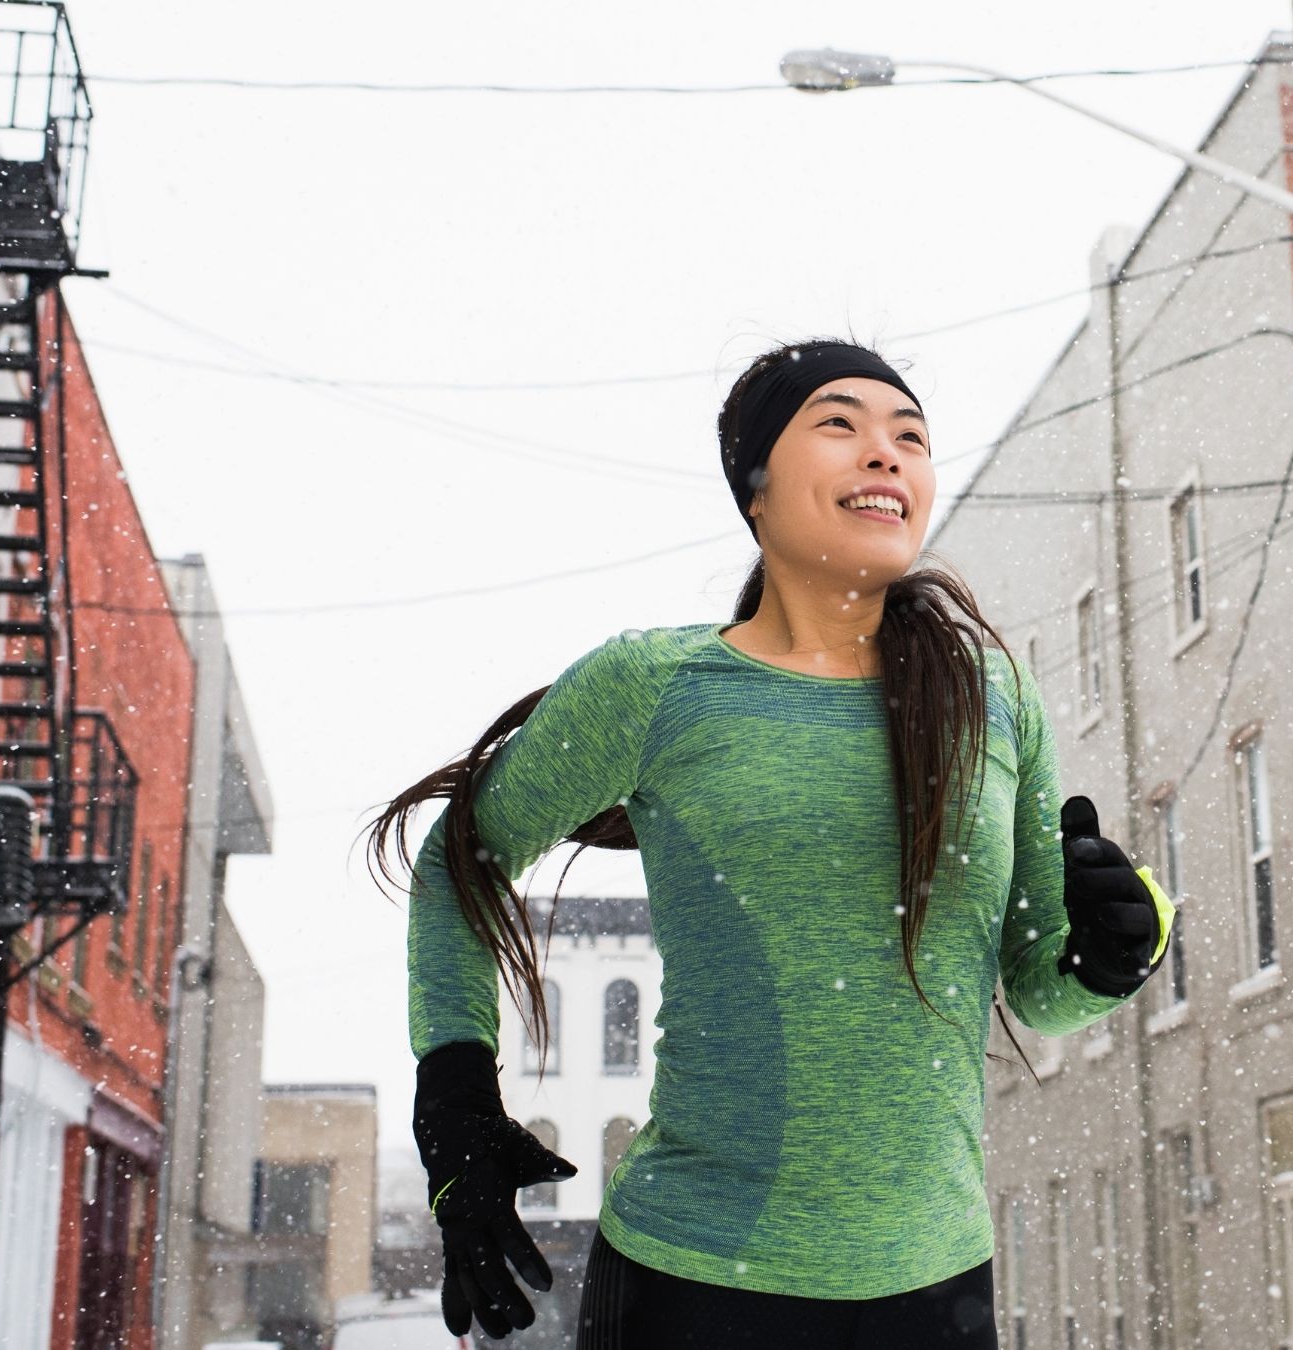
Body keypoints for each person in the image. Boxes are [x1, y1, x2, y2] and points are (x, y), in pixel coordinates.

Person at [367, 339, 1175, 1349]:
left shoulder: (991, 698)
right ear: (756, 490)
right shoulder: (655, 686)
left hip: (936, 1292)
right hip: (689, 1285)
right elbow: (463, 859)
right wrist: (454, 1095)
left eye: (911, 437)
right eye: (840, 424)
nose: (886, 454)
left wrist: (1118, 948)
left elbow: (1044, 987)